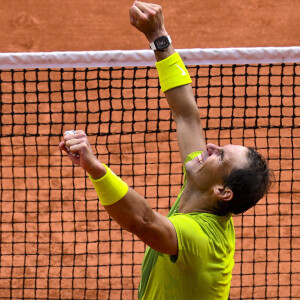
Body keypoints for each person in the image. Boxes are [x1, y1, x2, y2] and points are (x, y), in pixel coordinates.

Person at [59, 1, 271, 299]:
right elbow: (186, 114)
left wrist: (95, 168)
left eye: (220, 156)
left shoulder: (199, 239)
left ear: (223, 191)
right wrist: (159, 37)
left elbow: (142, 221)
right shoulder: (203, 189)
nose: (210, 146)